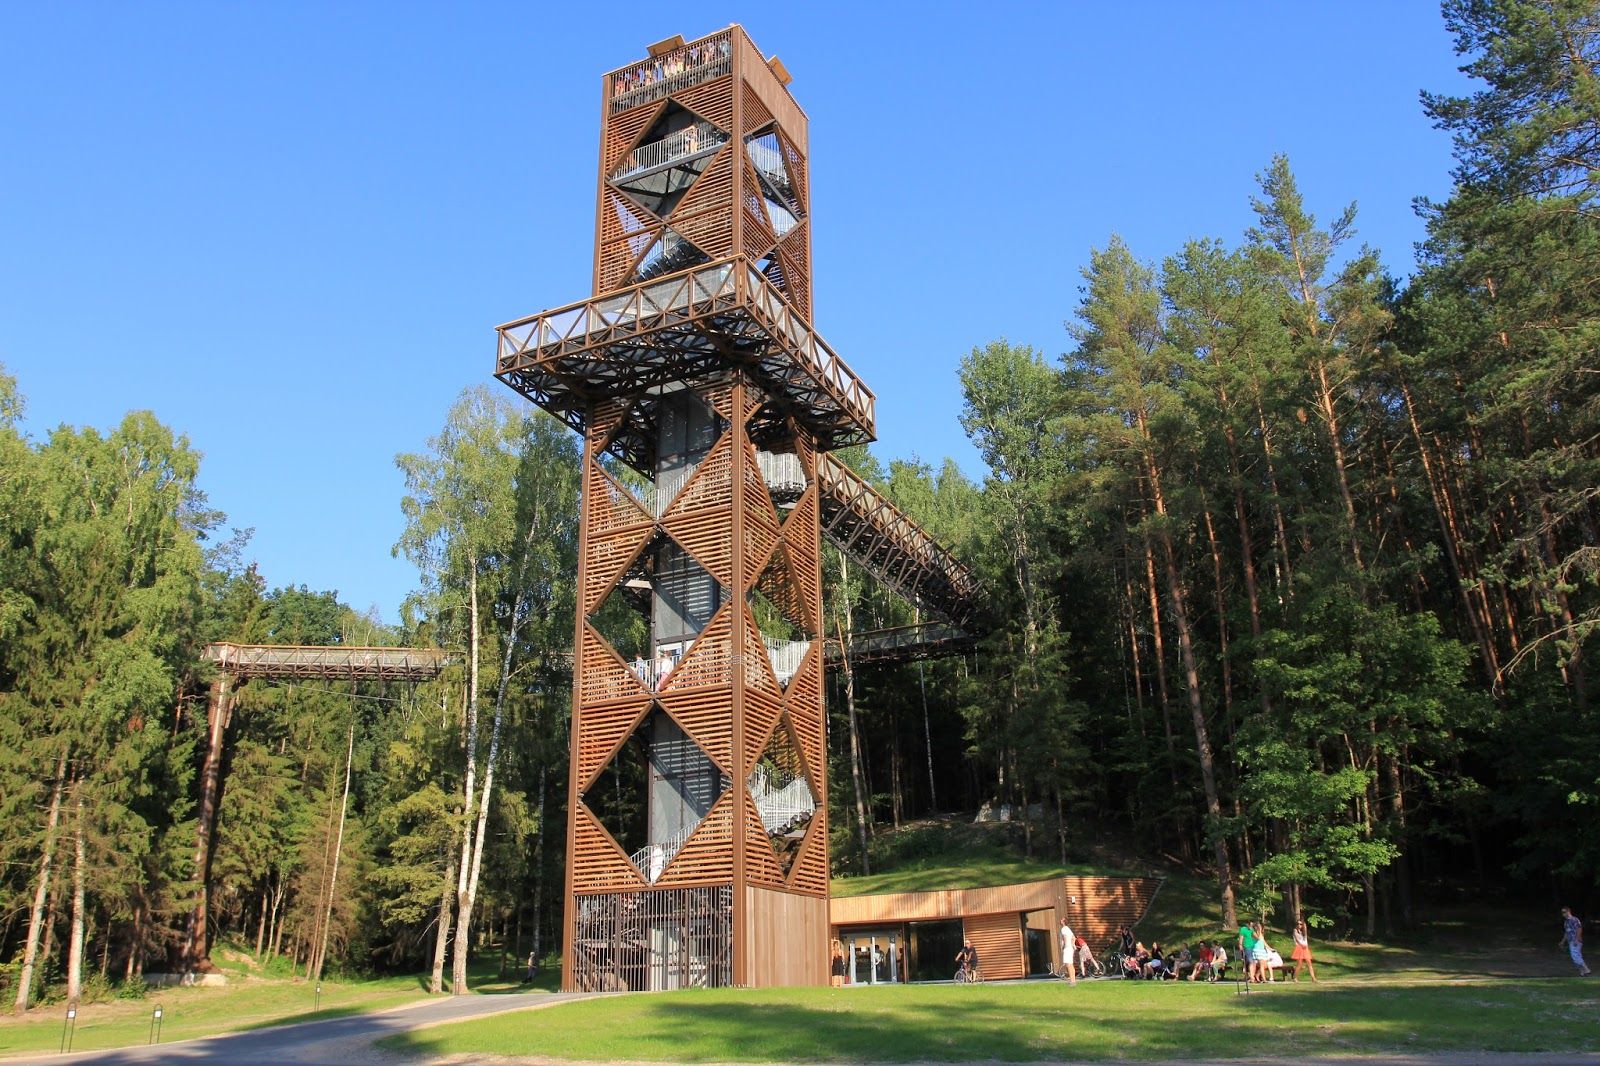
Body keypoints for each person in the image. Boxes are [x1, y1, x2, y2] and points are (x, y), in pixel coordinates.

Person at [1560, 907, 1592, 976]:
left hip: (1576, 941)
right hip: (1570, 941)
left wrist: (1576, 939)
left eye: (1564, 912)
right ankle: (1582, 973)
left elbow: (1579, 929)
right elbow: (1566, 932)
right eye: (1562, 912)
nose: (1563, 914)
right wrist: (1562, 941)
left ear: (1568, 911)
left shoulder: (1574, 919)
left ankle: (1586, 969)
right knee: (1577, 956)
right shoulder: (1566, 922)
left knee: (1575, 956)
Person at [1290, 918, 1318, 982]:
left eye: (1300, 924)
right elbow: (1297, 939)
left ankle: (1313, 978)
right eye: (1298, 924)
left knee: (1309, 963)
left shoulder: (1303, 931)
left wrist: (1304, 926)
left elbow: (1305, 935)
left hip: (1305, 948)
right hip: (1299, 947)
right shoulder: (1295, 930)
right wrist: (1302, 945)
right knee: (1299, 964)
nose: (1299, 925)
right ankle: (1295, 977)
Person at [1058, 918, 1077, 984]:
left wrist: (1064, 946)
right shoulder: (1068, 929)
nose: (1060, 920)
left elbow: (1065, 937)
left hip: (1067, 948)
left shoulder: (1063, 929)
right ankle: (1073, 980)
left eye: (1062, 920)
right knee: (1070, 964)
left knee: (1068, 964)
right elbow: (1074, 938)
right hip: (1070, 948)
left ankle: (1072, 981)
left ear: (1063, 922)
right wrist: (1073, 945)